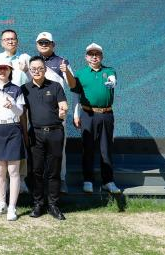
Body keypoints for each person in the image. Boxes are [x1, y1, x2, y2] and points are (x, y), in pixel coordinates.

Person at [69, 43, 121, 195]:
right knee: (88, 148)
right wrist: (75, 114)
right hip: (88, 114)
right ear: (86, 57)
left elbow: (113, 80)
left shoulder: (109, 70)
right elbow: (76, 96)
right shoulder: (80, 74)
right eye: (91, 54)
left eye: (97, 54)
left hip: (106, 114)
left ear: (101, 56)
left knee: (106, 149)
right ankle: (88, 181)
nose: (94, 57)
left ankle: (108, 181)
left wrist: (112, 82)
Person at [23, 55, 68, 220]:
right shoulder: (24, 89)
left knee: (54, 170)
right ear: (29, 70)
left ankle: (53, 205)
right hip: (35, 134)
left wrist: (63, 111)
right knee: (36, 171)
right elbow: (22, 114)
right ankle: (38, 204)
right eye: (33, 69)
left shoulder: (55, 86)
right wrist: (24, 133)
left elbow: (63, 105)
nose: (36, 71)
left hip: (55, 132)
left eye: (40, 68)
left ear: (45, 69)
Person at [35, 32, 74, 192]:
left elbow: (72, 85)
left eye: (47, 42)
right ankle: (39, 183)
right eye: (41, 42)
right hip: (37, 115)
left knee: (58, 150)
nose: (44, 45)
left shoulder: (62, 62)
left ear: (53, 44)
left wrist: (67, 72)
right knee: (38, 151)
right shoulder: (33, 62)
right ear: (37, 45)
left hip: (57, 115)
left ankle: (61, 179)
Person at [0, 57, 26, 222]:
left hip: (13, 130)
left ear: (10, 71)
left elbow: (20, 113)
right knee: (0, 171)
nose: (2, 71)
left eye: (6, 68)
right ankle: (2, 203)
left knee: (13, 171)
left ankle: (12, 207)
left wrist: (13, 106)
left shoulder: (17, 89)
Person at [0, 29, 31, 193]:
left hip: (21, 104)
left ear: (17, 41)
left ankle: (21, 178)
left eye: (13, 39)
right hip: (2, 108)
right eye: (6, 39)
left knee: (23, 138)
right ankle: (6, 182)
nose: (10, 41)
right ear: (2, 42)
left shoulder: (25, 58)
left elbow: (34, 79)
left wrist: (26, 71)